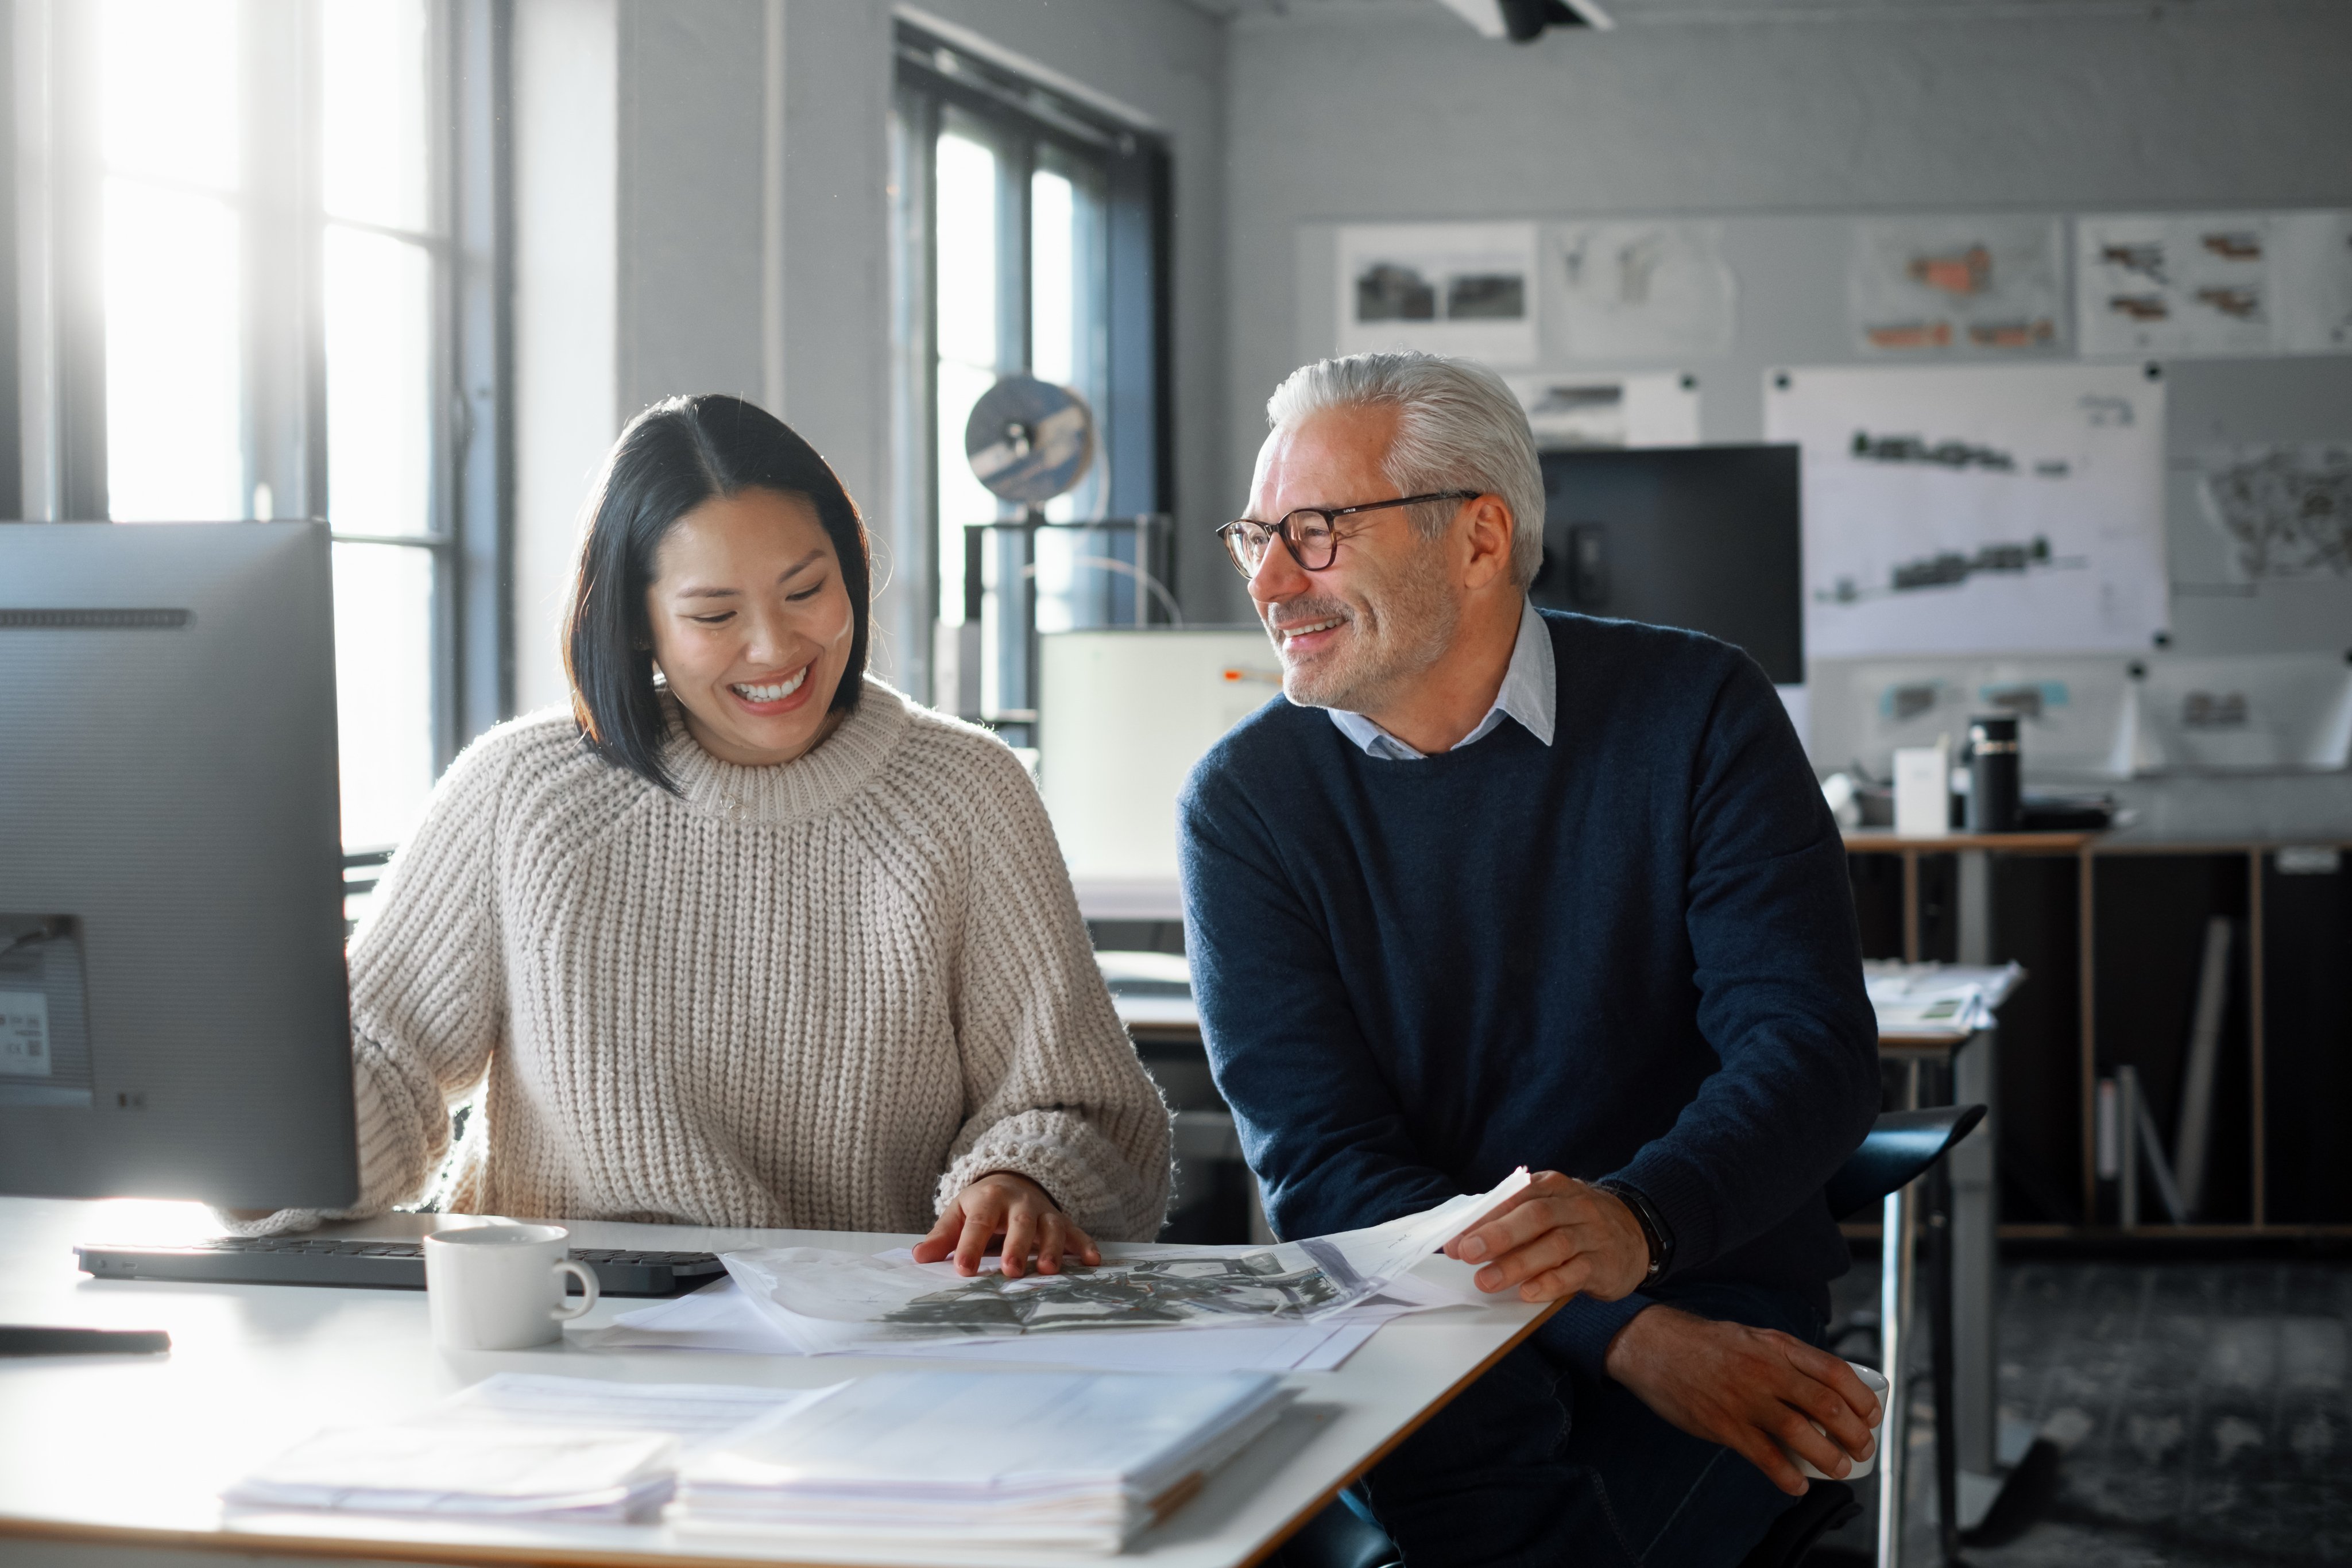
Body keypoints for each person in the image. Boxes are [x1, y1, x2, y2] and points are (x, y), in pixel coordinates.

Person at [1178, 352, 1884, 1566]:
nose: (1271, 580)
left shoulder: (1698, 711)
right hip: (1416, 1317)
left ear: (1479, 534)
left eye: (1316, 531)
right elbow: (1324, 1167)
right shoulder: (1246, 802)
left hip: (1703, 1278)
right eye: (1255, 536)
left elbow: (1804, 1050)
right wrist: (1614, 1329)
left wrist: (1639, 1228)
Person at [239, 394, 1170, 1275]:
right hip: (568, 1334)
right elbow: (382, 1063)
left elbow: (1081, 1110)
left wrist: (1022, 1181)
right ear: (637, 623)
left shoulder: (967, 796)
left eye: (808, 590)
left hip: (863, 1348)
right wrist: (254, 1140)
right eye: (714, 615)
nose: (774, 648)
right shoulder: (520, 793)